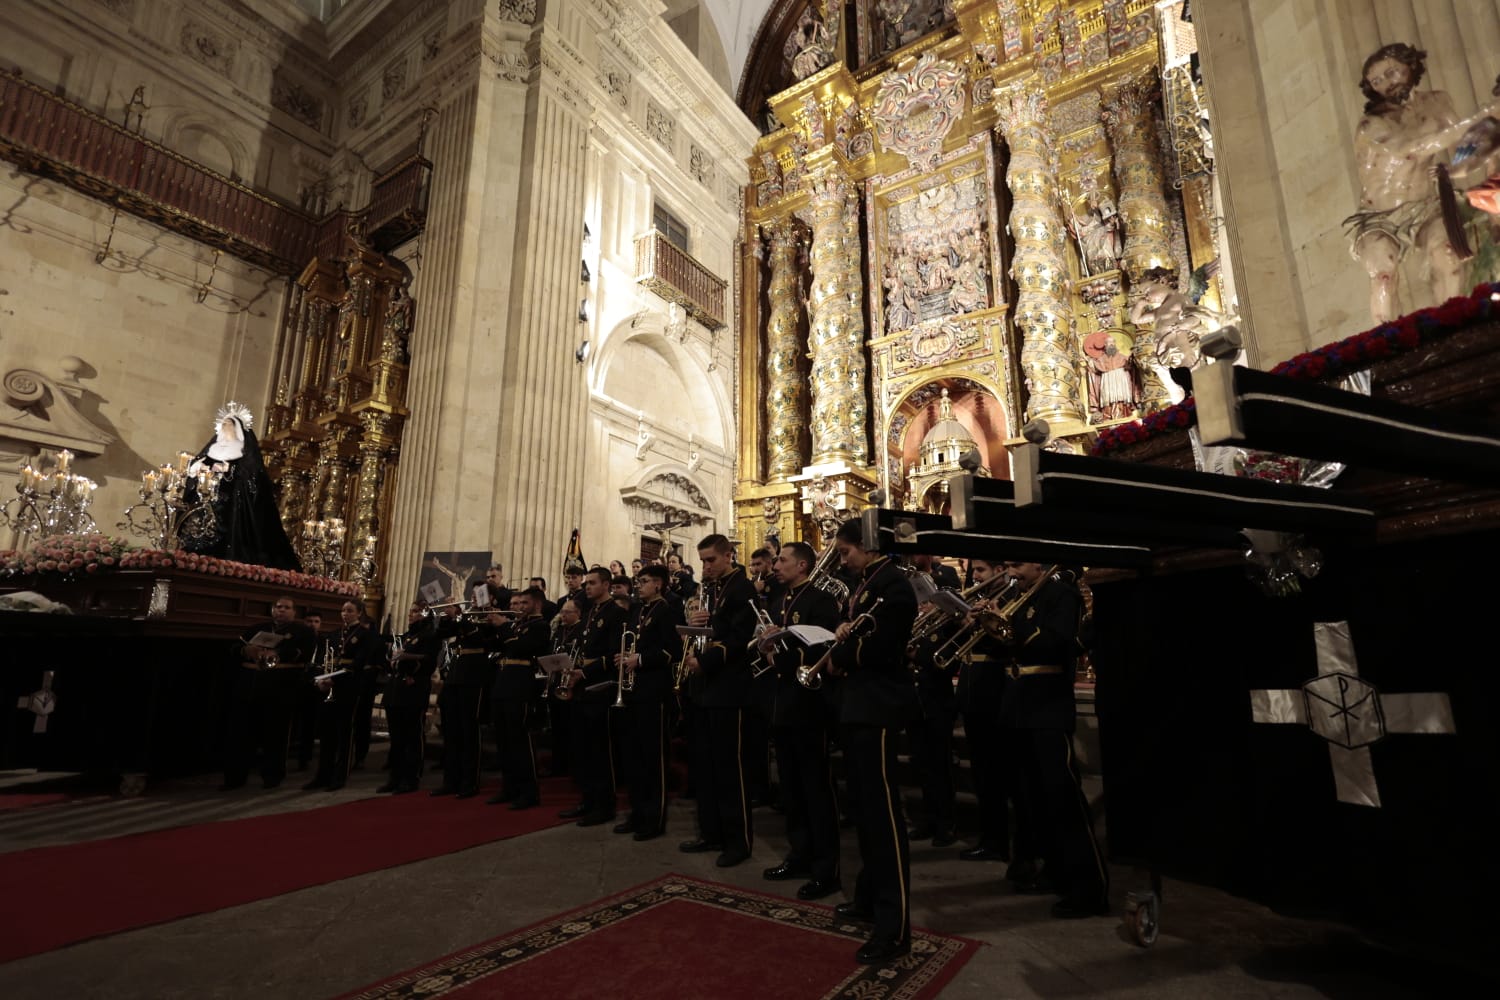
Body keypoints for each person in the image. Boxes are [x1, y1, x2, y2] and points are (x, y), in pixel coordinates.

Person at [1343, 43, 1500, 322]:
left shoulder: (1438, 102)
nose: (1386, 84)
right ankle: (1386, 347)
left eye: (1391, 73)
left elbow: (1467, 144)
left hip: (1426, 206)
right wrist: (1486, 113)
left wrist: (1457, 170)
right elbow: (1417, 146)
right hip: (1380, 216)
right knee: (1383, 274)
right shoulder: (1371, 125)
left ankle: (1451, 328)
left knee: (1449, 255)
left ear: (1411, 66)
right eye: (1376, 81)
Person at [827, 518, 919, 965]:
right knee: (864, 812)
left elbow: (880, 648)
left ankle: (894, 926)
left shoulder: (894, 587)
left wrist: (842, 652)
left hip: (878, 708)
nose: (841, 560)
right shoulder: (867, 585)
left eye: (845, 552)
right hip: (858, 706)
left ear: (867, 547)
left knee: (883, 818)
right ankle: (867, 896)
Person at [997, 562, 1108, 919]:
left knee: (1065, 802)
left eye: (1017, 564)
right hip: (1019, 708)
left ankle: (1089, 888)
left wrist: (1008, 625)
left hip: (1048, 708)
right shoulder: (1017, 594)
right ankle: (1055, 871)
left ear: (1038, 563)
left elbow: (1057, 641)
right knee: (1034, 801)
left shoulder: (1062, 594)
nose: (1012, 572)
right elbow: (1009, 649)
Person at [757, 541, 844, 901]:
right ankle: (799, 854)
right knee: (791, 789)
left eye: (782, 560)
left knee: (815, 790)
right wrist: (766, 643)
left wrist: (783, 654)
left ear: (803, 565)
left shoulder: (821, 601)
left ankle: (827, 869)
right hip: (783, 704)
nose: (775, 565)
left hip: (810, 705)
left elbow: (824, 648)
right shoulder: (778, 600)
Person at [678, 533, 758, 868]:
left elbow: (740, 638)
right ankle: (711, 832)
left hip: (729, 687)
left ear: (729, 555)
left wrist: (706, 660)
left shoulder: (742, 588)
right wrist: (695, 625)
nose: (706, 566)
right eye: (703, 561)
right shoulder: (708, 589)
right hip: (705, 688)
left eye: (711, 560)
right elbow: (711, 631)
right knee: (706, 766)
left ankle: (738, 841)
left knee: (730, 769)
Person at [952, 560, 1017, 866]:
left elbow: (1008, 645)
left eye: (981, 571)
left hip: (993, 694)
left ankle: (1001, 841)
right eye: (974, 571)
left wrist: (986, 619)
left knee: (996, 774)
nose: (974, 577)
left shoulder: (1008, 599)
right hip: (972, 693)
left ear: (999, 570)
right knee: (981, 774)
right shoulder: (976, 601)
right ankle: (990, 838)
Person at [183, 402, 301, 570]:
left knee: (229, 534)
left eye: (229, 424)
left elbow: (252, 477)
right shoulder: (212, 449)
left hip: (232, 504)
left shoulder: (242, 450)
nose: (224, 427)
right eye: (223, 424)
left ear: (237, 427)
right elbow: (195, 468)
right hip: (207, 499)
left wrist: (227, 469)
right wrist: (196, 469)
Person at [614, 565, 684, 841]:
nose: (639, 585)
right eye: (638, 581)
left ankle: (654, 818)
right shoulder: (636, 610)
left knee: (653, 757)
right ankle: (637, 812)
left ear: (658, 584)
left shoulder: (668, 610)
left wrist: (639, 660)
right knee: (633, 757)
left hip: (654, 692)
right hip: (633, 692)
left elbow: (673, 652)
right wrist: (624, 657)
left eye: (644, 581)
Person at [223, 595, 317, 790]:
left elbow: (305, 654)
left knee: (276, 735)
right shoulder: (256, 628)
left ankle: (272, 776)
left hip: (280, 689)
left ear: (294, 612)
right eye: (278, 607)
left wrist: (279, 654)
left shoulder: (303, 632)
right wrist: (246, 651)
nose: (281, 610)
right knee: (241, 735)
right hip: (250, 687)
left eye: (286, 607)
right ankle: (235, 777)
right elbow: (234, 648)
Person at [560, 567, 628, 826]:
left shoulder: (616, 612)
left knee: (601, 751)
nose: (586, 587)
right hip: (581, 685)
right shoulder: (589, 612)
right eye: (586, 583)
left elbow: (612, 655)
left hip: (601, 686)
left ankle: (604, 805)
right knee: (583, 749)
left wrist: (584, 671)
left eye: (592, 583)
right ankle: (588, 800)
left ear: (607, 585)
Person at [304, 601, 381, 792]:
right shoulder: (333, 634)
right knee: (326, 734)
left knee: (344, 734)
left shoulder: (365, 635)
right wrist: (321, 679)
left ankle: (339, 776)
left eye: (350, 611)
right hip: (328, 686)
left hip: (349, 686)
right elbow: (323, 659)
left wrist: (335, 679)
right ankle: (323, 775)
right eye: (343, 610)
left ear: (359, 613)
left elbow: (359, 662)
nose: (345, 614)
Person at [487, 588, 551, 808]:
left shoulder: (541, 626)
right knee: (504, 742)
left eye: (524, 603)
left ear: (536, 604)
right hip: (503, 684)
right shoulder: (517, 625)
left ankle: (528, 792)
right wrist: (492, 624)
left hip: (521, 687)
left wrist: (504, 626)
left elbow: (521, 648)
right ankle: (509, 787)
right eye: (518, 602)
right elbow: (496, 646)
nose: (519, 606)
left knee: (520, 743)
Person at [431, 605, 498, 800]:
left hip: (474, 675)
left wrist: (460, 618)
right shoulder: (465, 621)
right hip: (455, 674)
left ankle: (470, 781)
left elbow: (480, 640)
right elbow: (441, 633)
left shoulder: (488, 622)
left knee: (469, 730)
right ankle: (450, 780)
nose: (474, 601)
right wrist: (446, 618)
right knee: (451, 731)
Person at [381, 602, 440, 794]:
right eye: (410, 611)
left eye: (415, 611)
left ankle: (411, 778)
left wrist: (407, 657)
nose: (411, 615)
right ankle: (395, 777)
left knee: (412, 737)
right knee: (396, 737)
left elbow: (430, 661)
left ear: (426, 614)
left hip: (414, 690)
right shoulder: (407, 636)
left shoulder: (430, 636)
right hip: (396, 689)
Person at [292, 610, 328, 772]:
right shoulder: (296, 638)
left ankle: (304, 758)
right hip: (296, 683)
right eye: (309, 621)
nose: (312, 624)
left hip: (314, 685)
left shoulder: (324, 642)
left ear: (320, 624)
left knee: (309, 723)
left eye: (316, 621)